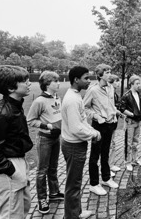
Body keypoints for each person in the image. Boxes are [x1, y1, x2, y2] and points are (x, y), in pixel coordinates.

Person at [0, 65, 33, 219]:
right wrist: (12, 171)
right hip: (6, 168)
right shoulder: (1, 114)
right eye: (25, 81)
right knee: (12, 215)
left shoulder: (15, 106)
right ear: (11, 88)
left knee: (22, 209)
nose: (29, 83)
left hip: (17, 161)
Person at [61, 66, 101, 219]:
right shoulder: (72, 99)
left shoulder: (76, 95)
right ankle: (71, 216)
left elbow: (81, 120)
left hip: (76, 145)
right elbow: (76, 128)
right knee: (73, 185)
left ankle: (75, 212)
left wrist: (92, 130)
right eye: (86, 78)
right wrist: (93, 134)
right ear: (76, 80)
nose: (89, 81)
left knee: (75, 182)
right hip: (73, 146)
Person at [26, 71, 64, 214]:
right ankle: (42, 199)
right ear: (48, 84)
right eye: (56, 81)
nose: (59, 83)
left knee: (53, 168)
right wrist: (46, 126)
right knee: (42, 171)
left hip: (56, 138)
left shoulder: (57, 97)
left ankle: (54, 193)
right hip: (45, 139)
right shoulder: (39, 101)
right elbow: (30, 120)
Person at [83, 64, 119, 196]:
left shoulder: (110, 88)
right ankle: (93, 184)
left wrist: (114, 114)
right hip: (98, 126)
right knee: (94, 155)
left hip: (110, 125)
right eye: (107, 72)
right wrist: (97, 116)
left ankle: (106, 178)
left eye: (110, 71)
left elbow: (111, 105)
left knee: (105, 153)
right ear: (100, 75)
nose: (110, 74)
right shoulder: (92, 90)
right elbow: (85, 108)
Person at [120, 75, 141, 172]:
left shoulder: (138, 94)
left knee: (136, 142)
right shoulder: (126, 95)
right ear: (131, 84)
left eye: (139, 83)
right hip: (130, 122)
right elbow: (122, 109)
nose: (139, 85)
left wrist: (139, 115)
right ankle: (127, 162)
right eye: (137, 84)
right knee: (129, 143)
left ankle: (134, 160)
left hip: (137, 122)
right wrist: (133, 114)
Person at [107, 74, 123, 173]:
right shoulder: (109, 94)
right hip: (109, 123)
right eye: (117, 81)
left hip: (114, 123)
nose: (119, 83)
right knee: (108, 145)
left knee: (112, 144)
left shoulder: (115, 94)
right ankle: (106, 166)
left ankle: (111, 164)